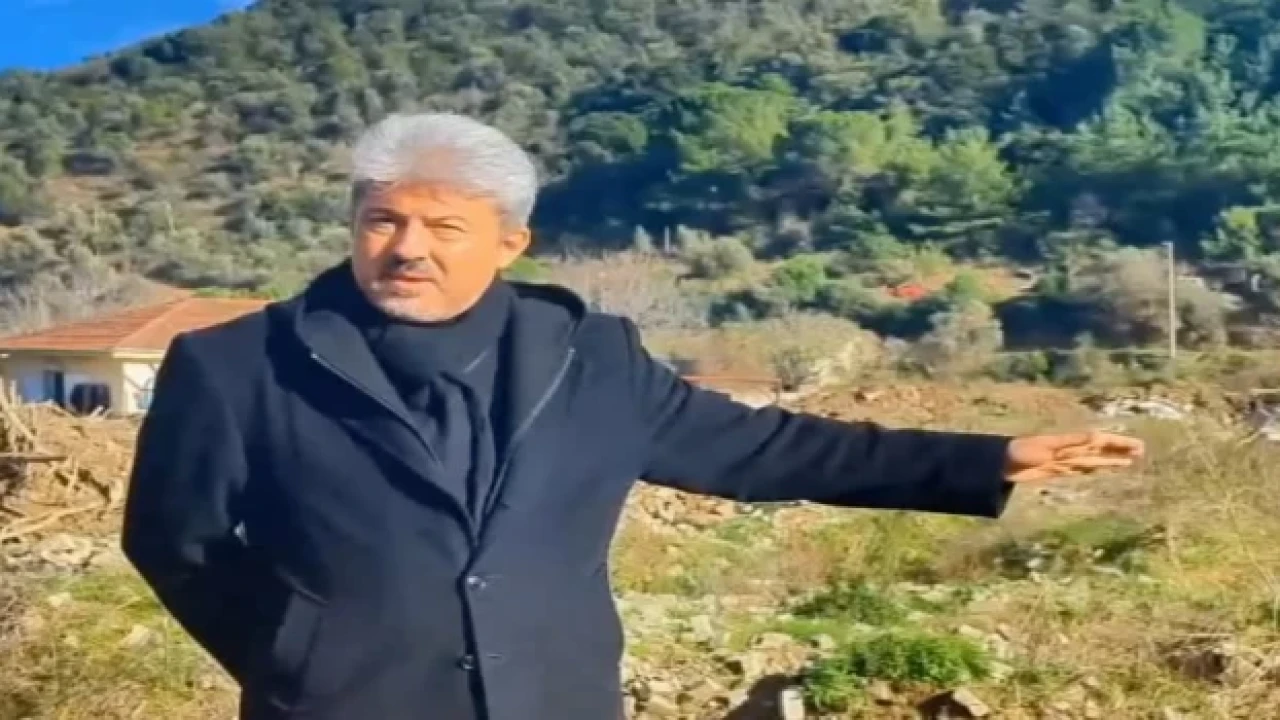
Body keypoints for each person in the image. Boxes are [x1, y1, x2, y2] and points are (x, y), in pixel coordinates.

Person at [121, 112, 1144, 720]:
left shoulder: (587, 357)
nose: (408, 247)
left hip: (555, 701)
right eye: (382, 220)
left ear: (509, 243)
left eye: (443, 226)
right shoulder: (238, 364)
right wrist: (298, 654)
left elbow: (764, 447)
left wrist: (987, 457)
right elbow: (176, 540)